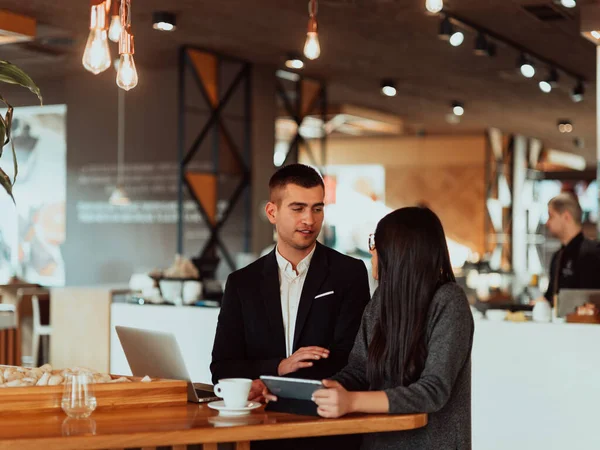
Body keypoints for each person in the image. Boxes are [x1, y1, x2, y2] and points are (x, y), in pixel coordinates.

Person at [268, 207, 474, 449]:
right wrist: (321, 389)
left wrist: (352, 401)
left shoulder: (449, 301)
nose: (372, 251)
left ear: (399, 251)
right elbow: (358, 370)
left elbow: (432, 390)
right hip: (379, 442)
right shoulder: (380, 301)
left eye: (376, 243)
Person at [211, 163, 370, 448]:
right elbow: (223, 367)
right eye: (297, 208)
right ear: (272, 212)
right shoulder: (241, 283)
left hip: (328, 430)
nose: (309, 219)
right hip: (260, 431)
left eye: (317, 208)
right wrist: (279, 368)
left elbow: (354, 359)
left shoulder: (349, 273)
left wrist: (272, 381)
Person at [542, 192, 600, 305]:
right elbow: (551, 297)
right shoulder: (557, 256)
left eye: (551, 216)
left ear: (566, 217)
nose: (547, 223)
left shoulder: (594, 253)